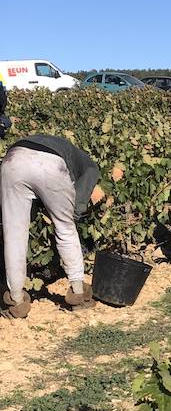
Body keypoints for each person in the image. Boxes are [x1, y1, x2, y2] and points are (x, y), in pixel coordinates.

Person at [1, 132, 105, 318]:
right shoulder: (88, 164)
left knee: (14, 234)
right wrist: (76, 210)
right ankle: (79, 294)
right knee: (65, 228)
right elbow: (85, 186)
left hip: (13, 160)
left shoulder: (56, 144)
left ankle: (16, 303)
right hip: (50, 165)